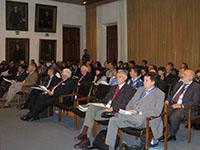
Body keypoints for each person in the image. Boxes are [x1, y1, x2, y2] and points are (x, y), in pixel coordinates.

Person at [74, 70, 136, 149]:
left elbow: (125, 104)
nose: (117, 78)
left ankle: (85, 136)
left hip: (115, 110)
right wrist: (99, 103)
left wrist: (112, 108)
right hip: (105, 106)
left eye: (120, 77)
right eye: (117, 77)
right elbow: (107, 98)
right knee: (91, 107)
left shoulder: (129, 90)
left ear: (125, 78)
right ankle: (85, 135)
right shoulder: (113, 87)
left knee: (93, 114)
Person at [105, 72, 165, 149]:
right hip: (130, 117)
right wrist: (128, 111)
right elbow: (130, 103)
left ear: (153, 82)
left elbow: (157, 112)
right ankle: (110, 148)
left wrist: (139, 112)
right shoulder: (140, 89)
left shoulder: (159, 94)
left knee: (138, 118)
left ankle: (117, 114)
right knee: (113, 120)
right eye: (144, 80)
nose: (144, 82)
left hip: (145, 119)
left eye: (146, 80)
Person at [164, 69, 200, 141]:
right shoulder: (179, 83)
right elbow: (171, 94)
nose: (182, 75)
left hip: (187, 108)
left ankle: (172, 134)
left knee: (174, 116)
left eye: (185, 75)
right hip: (173, 104)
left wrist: (181, 105)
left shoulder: (196, 86)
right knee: (163, 113)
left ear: (191, 77)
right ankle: (162, 132)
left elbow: (195, 101)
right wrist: (167, 100)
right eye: (183, 74)